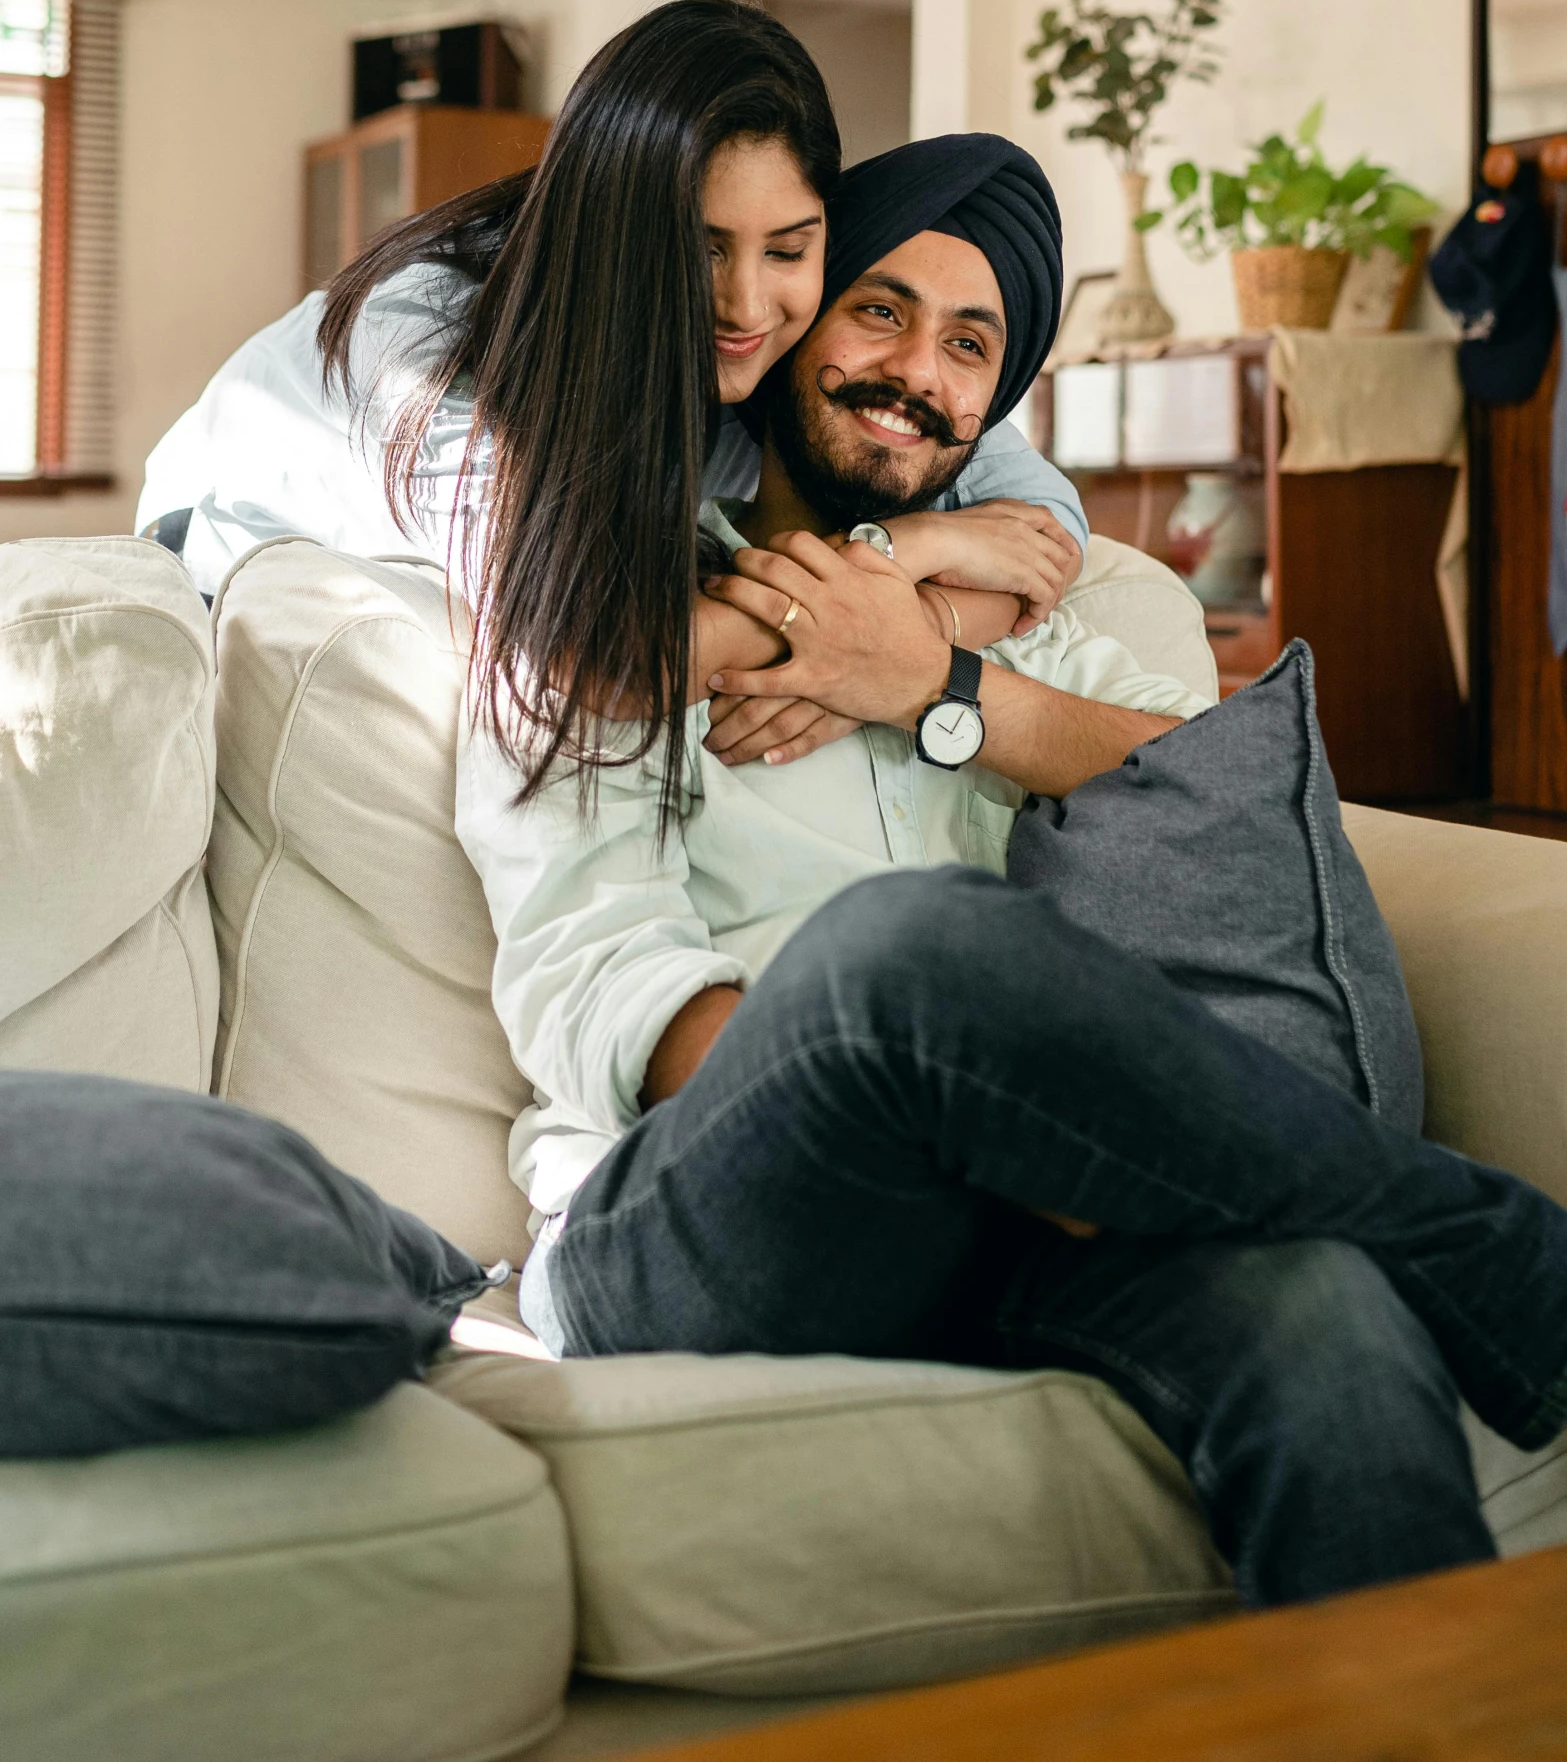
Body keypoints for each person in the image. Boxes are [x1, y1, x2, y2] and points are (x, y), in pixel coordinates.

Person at [458, 134, 1567, 1610]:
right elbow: (587, 983)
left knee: (1322, 1308)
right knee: (910, 946)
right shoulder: (613, 617)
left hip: (1013, 1228)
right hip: (697, 1212)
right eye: (879, 308)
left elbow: (1219, 770)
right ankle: (1486, 1243)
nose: (917, 367)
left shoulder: (1027, 623)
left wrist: (935, 684)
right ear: (792, 323)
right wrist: (932, 1091)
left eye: (968, 342)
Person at [137, 0, 1086, 809]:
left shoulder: (789, 353)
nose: (747, 308)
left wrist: (902, 647)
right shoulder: (439, 353)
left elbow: (1041, 528)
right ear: (615, 229)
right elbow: (596, 664)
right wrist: (896, 562)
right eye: (701, 247)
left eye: (788, 251)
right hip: (216, 600)